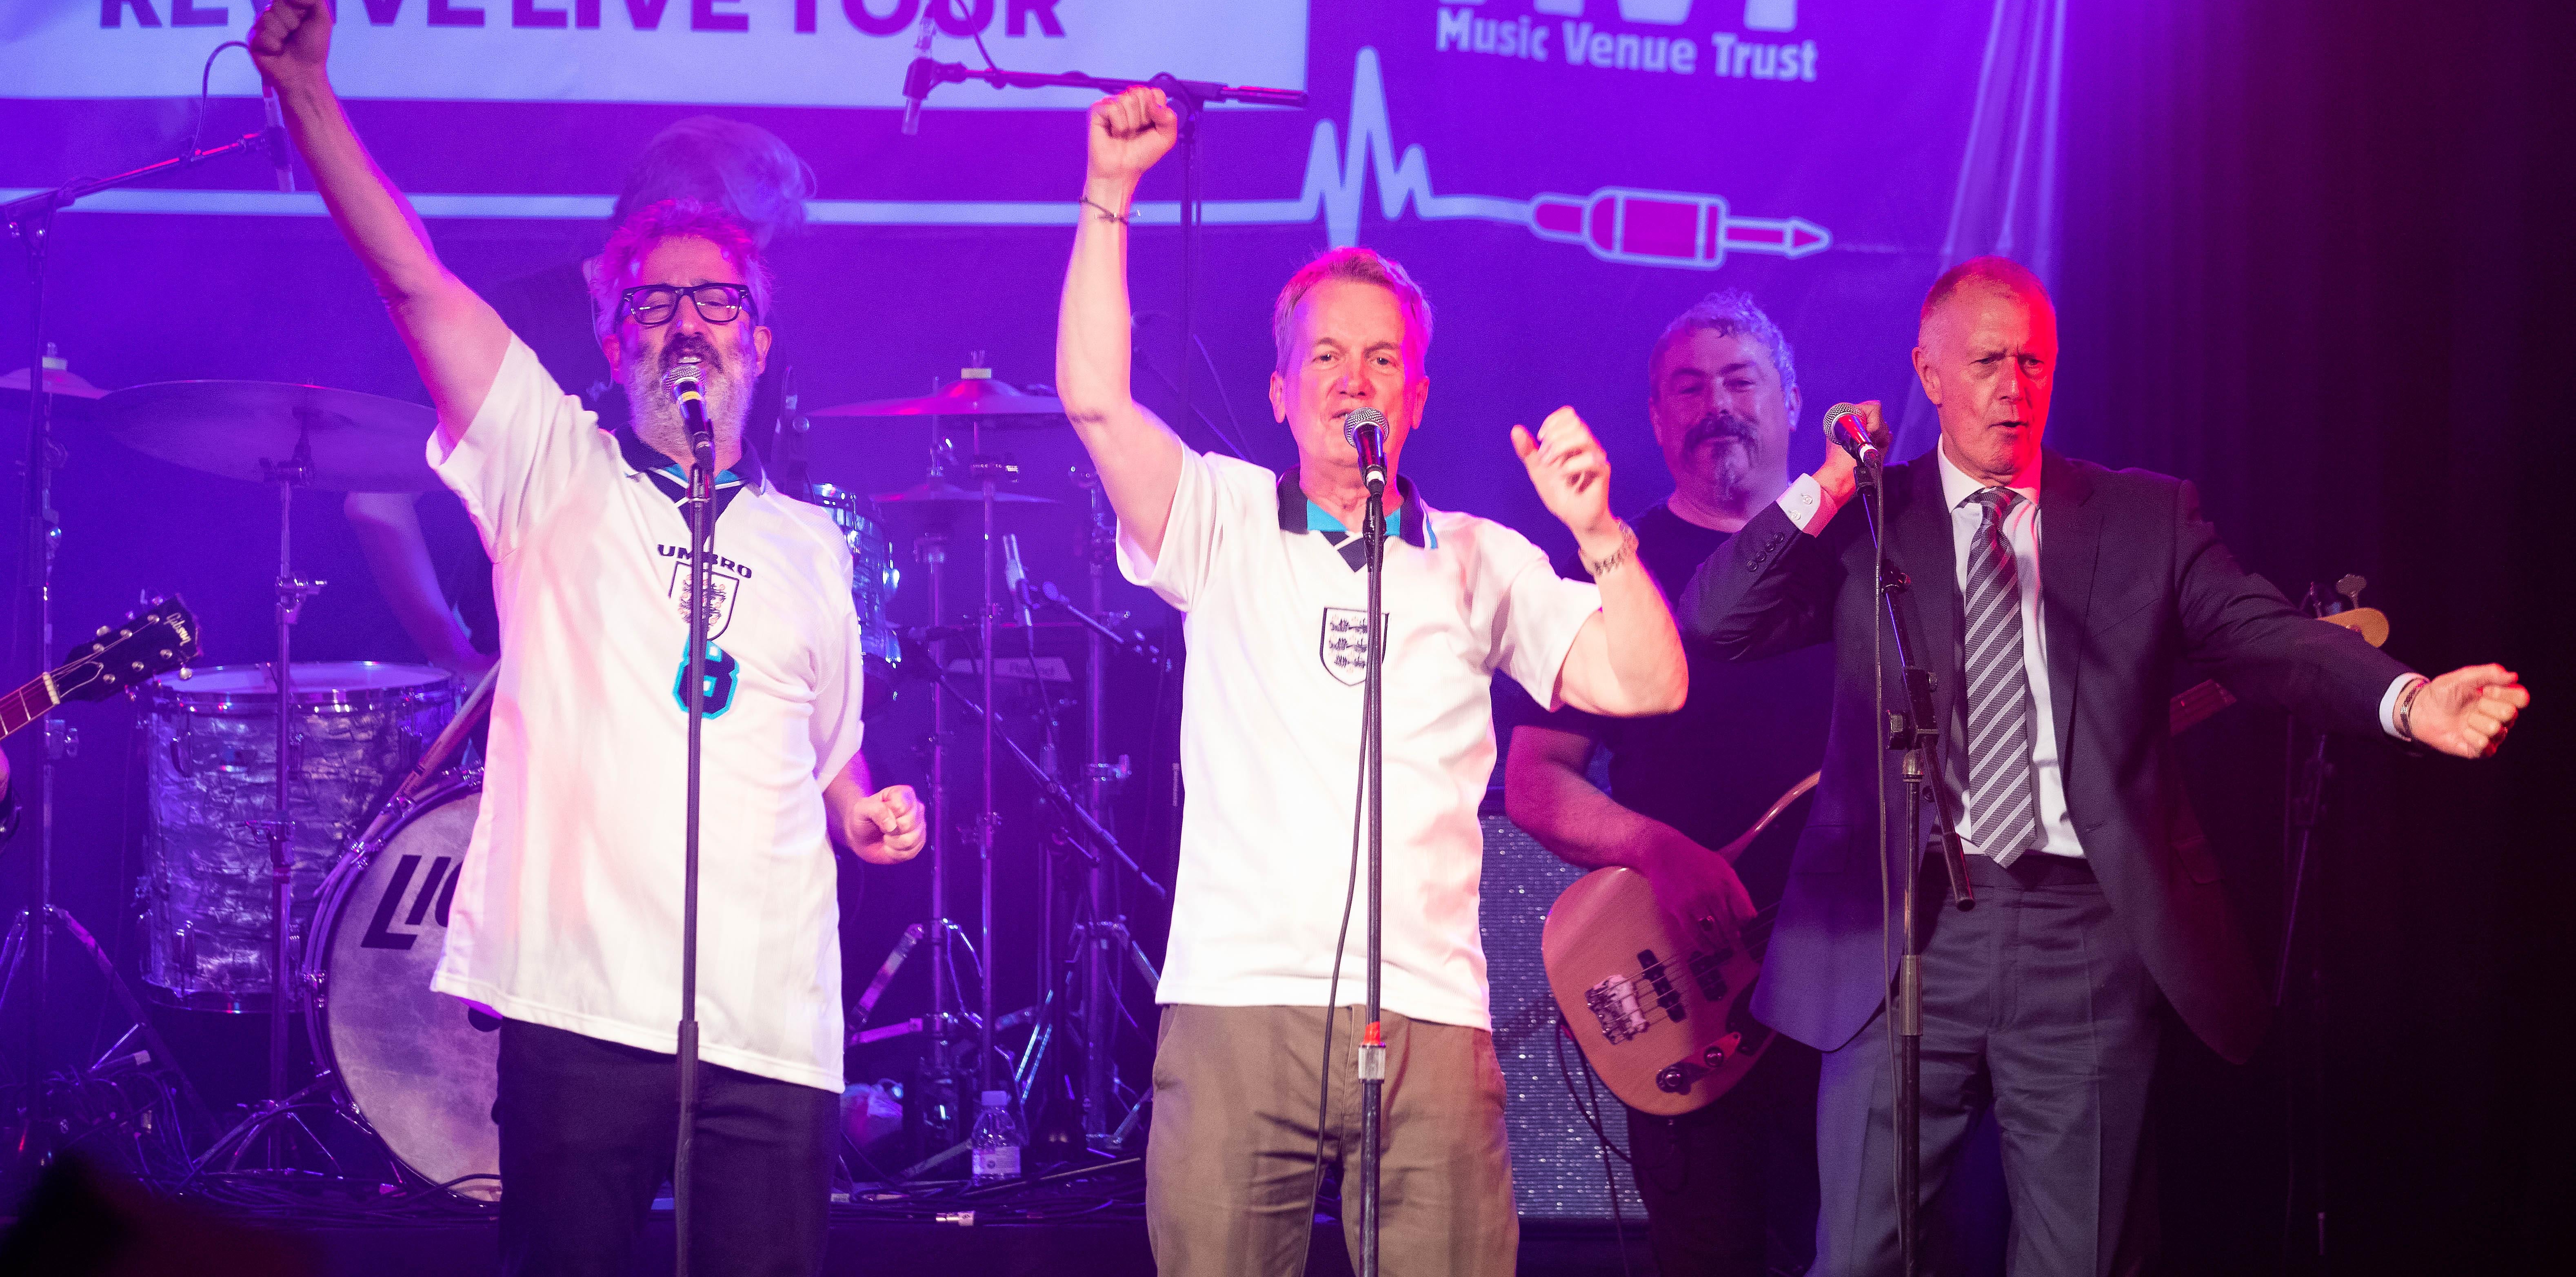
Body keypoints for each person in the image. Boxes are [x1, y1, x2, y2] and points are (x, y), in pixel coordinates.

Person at [251, 0, 925, 1277]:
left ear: (763, 345)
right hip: (582, 1010)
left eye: (719, 303)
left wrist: (864, 810)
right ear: (612, 346)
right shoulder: (552, 474)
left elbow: (824, 746)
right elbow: (412, 278)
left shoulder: (810, 546)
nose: (688, 324)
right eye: (655, 305)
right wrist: (311, 101)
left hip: (770, 1028)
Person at [1681, 255, 2529, 1277]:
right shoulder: (1869, 518)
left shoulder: (2140, 521)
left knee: (2083, 1260)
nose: (2014, 383)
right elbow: (1719, 621)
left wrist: (2407, 698)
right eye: (1988, 359)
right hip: (1901, 937)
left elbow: (2270, 636)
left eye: (2035, 360)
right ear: (1930, 371)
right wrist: (1824, 483)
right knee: (1862, 1256)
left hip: (2080, 935)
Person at [1057, 86, 1690, 1277]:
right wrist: (1110, 197)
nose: (1357, 381)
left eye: (1385, 359)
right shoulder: (1226, 519)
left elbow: (1647, 683)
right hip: (1243, 1003)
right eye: (1328, 358)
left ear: (1420, 398)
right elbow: (1095, 399)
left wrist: (1601, 534)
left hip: (1433, 1021)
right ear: (1283, 393)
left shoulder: (1477, 559)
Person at [1501, 290, 1829, 1277]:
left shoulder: (1866, 556)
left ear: (1793, 401)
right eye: (1689, 388)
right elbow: (1533, 784)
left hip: (1854, 989)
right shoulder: (1610, 570)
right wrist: (1656, 848)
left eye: (1741, 381)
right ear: (1657, 419)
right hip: (1692, 988)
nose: (1717, 404)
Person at [344, 115, 815, 679]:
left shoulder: (744, 337)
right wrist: (454, 657)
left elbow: (752, 509)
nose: (741, 281)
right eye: (739, 249)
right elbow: (375, 499)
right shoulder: (520, 321)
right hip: (535, 677)